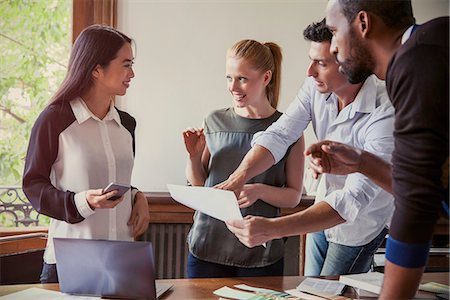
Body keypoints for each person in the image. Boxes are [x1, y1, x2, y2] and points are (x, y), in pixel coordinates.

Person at [221, 19, 395, 276]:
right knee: (312, 289)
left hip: (361, 220)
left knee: (332, 294)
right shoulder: (315, 87)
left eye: (321, 63)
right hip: (321, 208)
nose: (309, 71)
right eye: (311, 60)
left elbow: (353, 198)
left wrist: (273, 228)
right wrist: (239, 177)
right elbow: (280, 134)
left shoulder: (386, 110)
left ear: (351, 63)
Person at [312, 1, 448, 298]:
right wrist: (362, 162)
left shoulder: (415, 61)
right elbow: (425, 186)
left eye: (334, 31)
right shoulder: (427, 48)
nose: (333, 47)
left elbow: (417, 203)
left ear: (363, 23)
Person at [22, 24, 150, 283]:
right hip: (70, 262)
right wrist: (84, 202)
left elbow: (111, 176)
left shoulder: (127, 125)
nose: (132, 73)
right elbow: (33, 186)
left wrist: (137, 196)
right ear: (96, 69)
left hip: (121, 259)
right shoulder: (54, 120)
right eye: (126, 64)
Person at [182, 39, 305, 278]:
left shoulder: (287, 129)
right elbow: (200, 185)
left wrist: (258, 190)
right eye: (229, 77)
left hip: (261, 252)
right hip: (206, 246)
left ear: (266, 78)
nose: (233, 87)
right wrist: (194, 157)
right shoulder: (214, 121)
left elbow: (293, 196)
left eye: (242, 79)